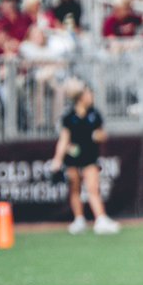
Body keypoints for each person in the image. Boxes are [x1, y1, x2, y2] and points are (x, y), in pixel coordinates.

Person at [49, 80, 120, 235]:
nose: (91, 96)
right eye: (88, 93)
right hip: (73, 158)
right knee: (75, 188)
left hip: (89, 157)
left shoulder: (94, 114)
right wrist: (57, 159)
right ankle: (79, 219)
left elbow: (103, 134)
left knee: (93, 188)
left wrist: (98, 135)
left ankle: (100, 219)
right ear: (81, 97)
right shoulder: (69, 116)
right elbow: (64, 140)